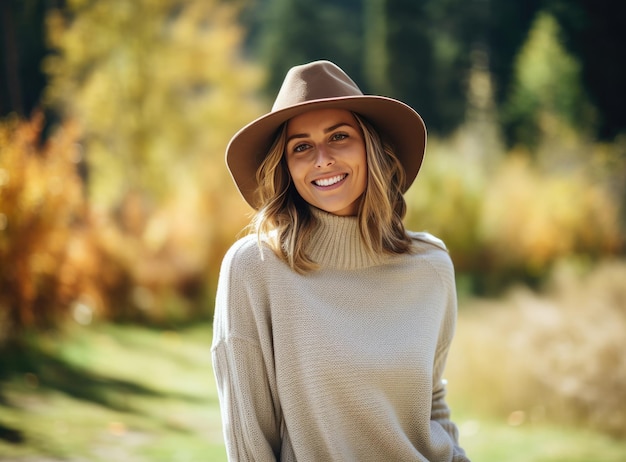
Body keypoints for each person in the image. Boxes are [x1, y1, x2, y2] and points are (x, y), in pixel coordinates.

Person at [211, 60, 469, 461]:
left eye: (339, 136)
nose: (322, 158)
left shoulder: (431, 265)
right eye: (301, 146)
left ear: (371, 147)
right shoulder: (255, 268)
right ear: (287, 167)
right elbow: (249, 439)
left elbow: (431, 402)